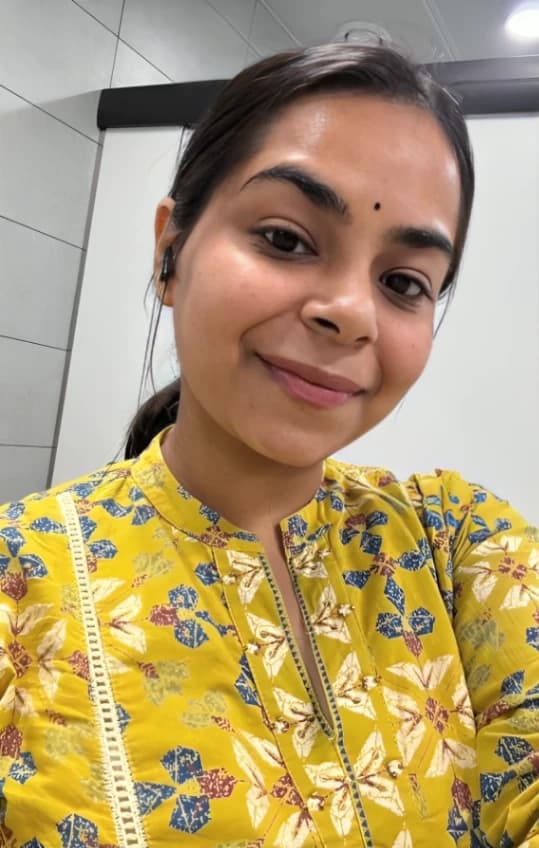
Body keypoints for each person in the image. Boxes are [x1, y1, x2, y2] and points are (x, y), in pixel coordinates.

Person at [0, 43, 537, 848]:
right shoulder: (19, 589)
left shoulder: (458, 545)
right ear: (169, 252)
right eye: (285, 239)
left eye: (403, 283)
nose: (350, 312)